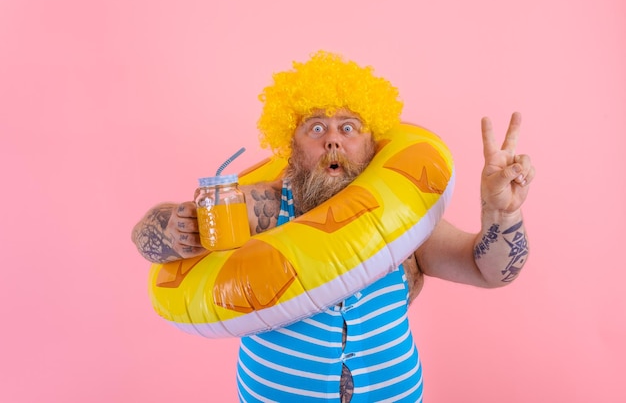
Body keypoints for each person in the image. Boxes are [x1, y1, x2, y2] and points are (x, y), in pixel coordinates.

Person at [131, 50, 535, 402]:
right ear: (289, 144)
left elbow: (489, 271)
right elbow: (150, 241)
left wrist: (501, 213)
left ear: (373, 144)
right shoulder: (265, 210)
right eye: (316, 128)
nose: (333, 141)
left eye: (348, 127)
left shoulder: (402, 224)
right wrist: (167, 226)